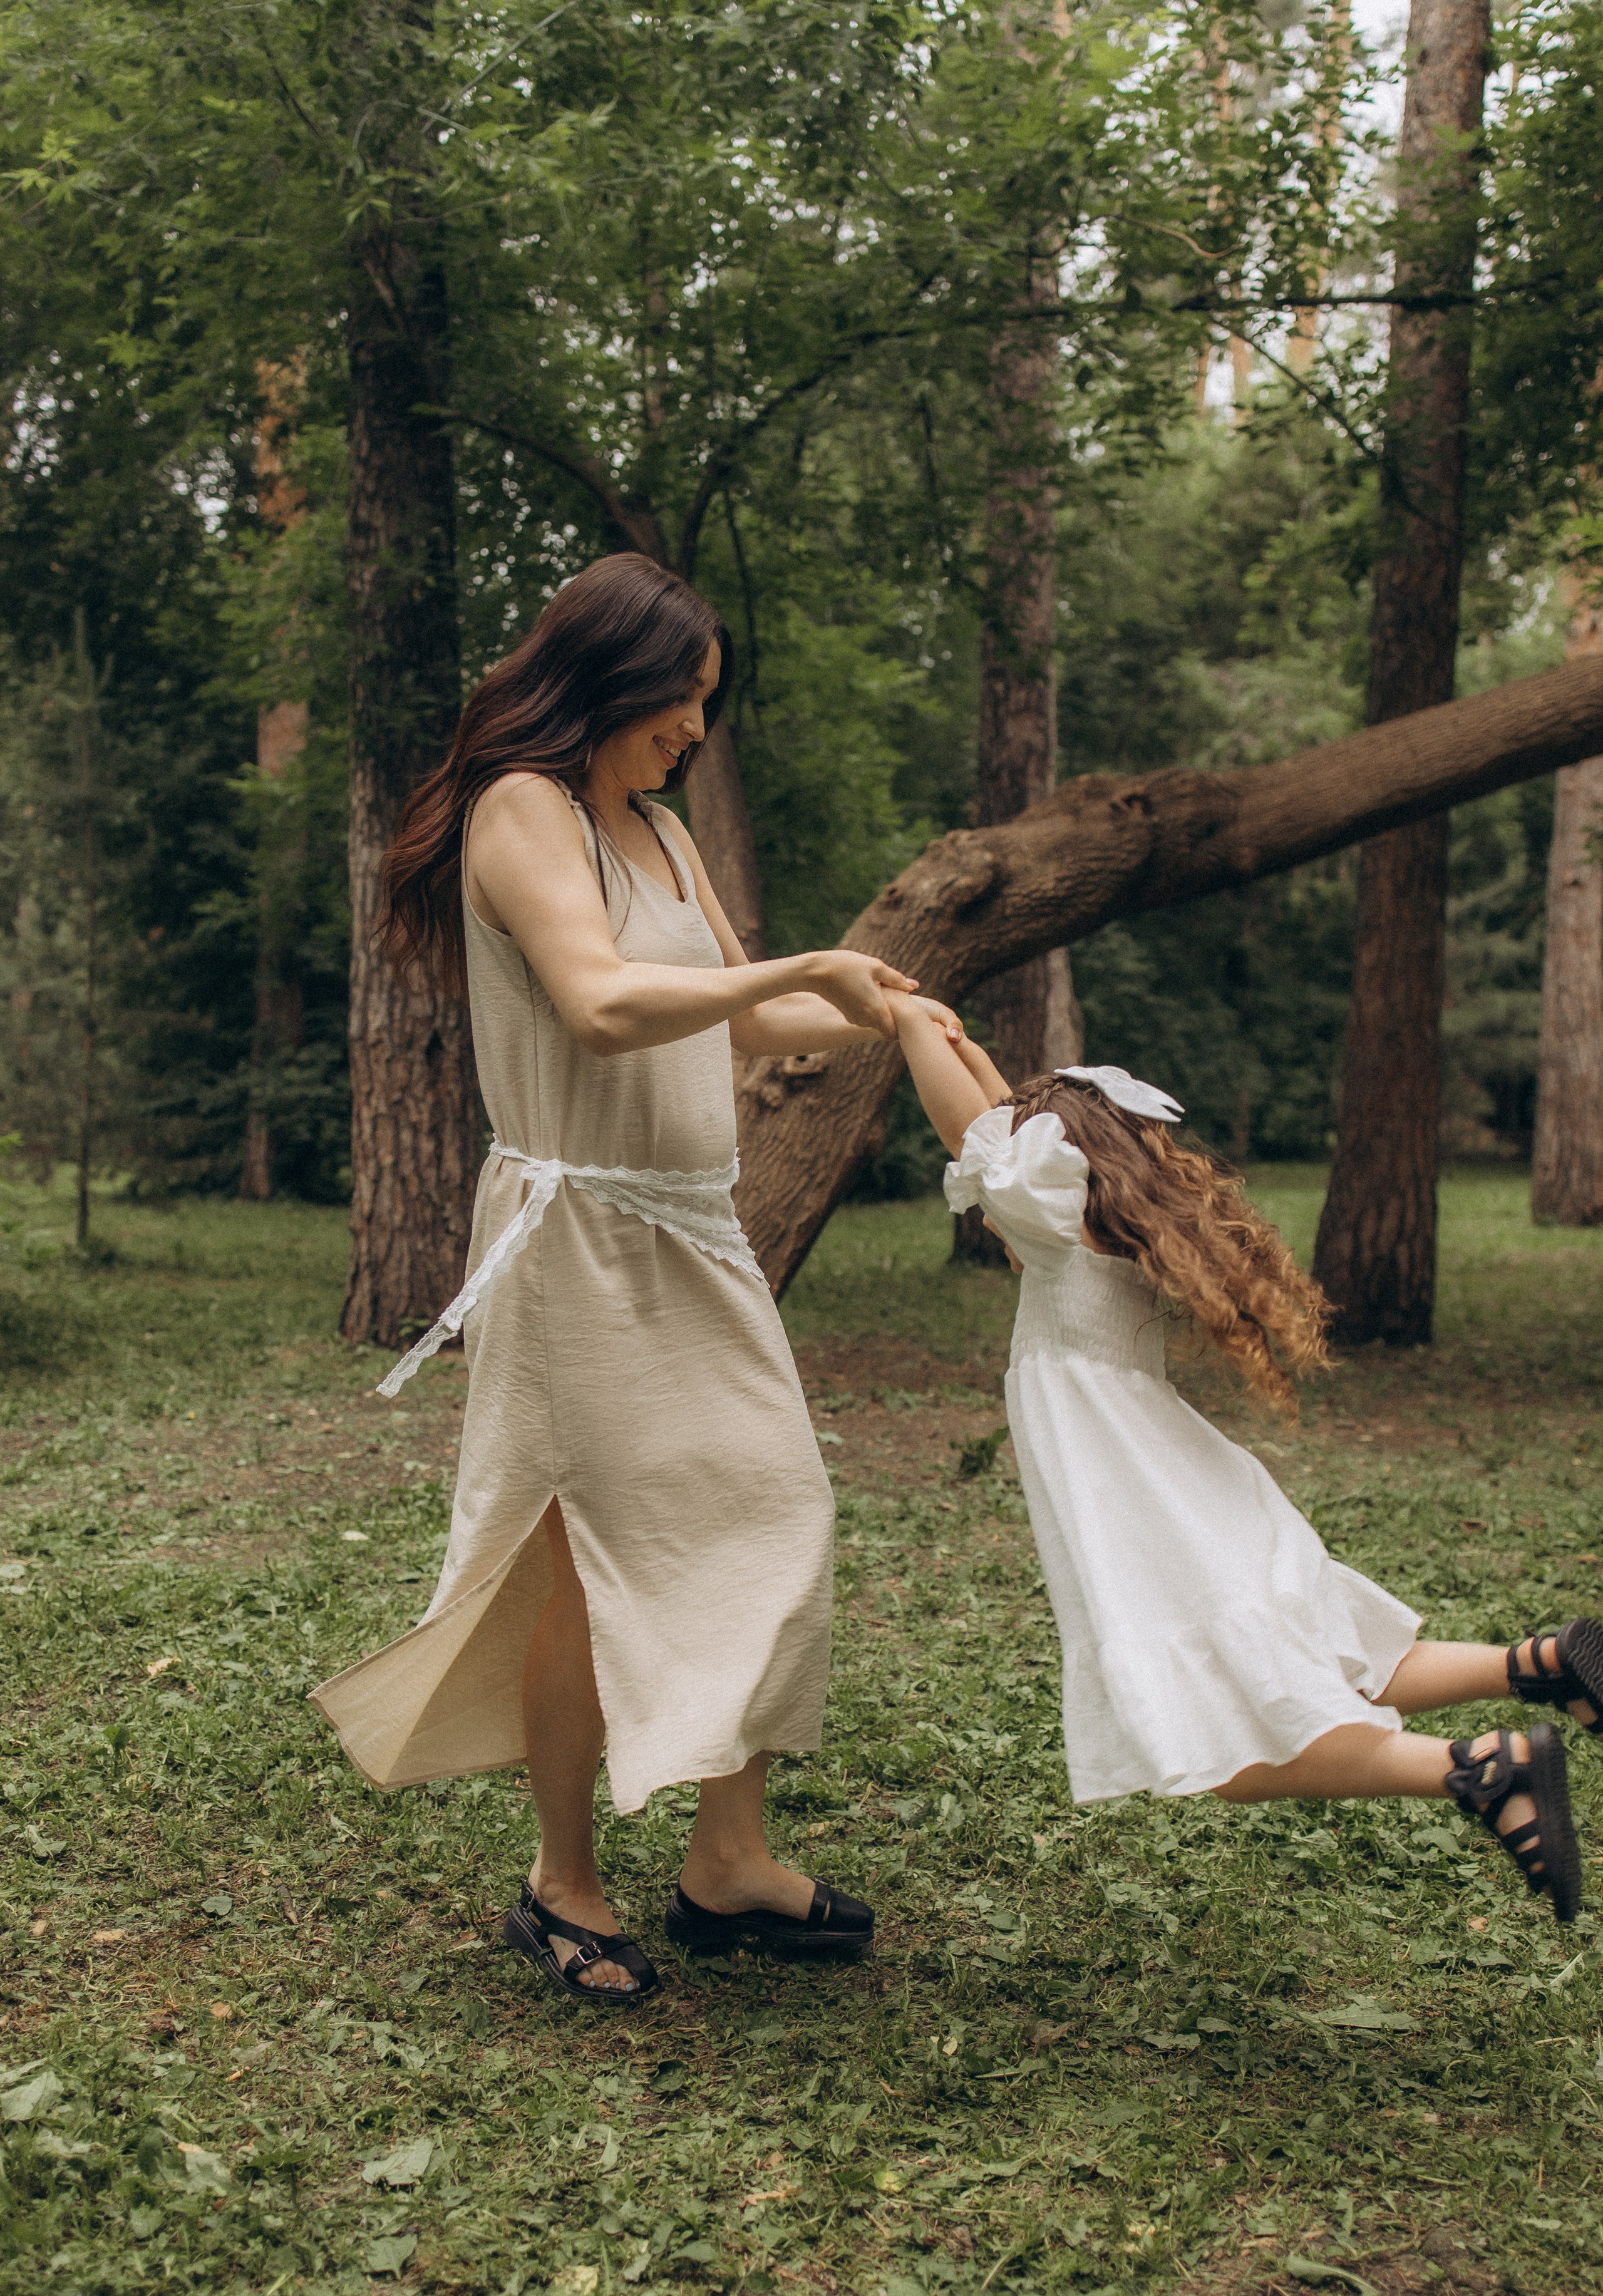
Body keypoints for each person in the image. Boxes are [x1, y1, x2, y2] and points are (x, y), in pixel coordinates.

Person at [313, 553, 944, 2002]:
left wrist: (883, 1007)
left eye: (706, 708)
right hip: (574, 1236)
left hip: (691, 1229)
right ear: (610, 675)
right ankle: (563, 1883)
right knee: (584, 1567)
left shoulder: (657, 827)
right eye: (680, 700)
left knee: (774, 1506)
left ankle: (727, 1865)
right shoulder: (522, 812)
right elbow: (600, 1006)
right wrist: (799, 965)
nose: (693, 732)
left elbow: (753, 1012)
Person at [889, 997, 1599, 1924]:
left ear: (1050, 1159)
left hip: (1143, 1507)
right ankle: (1546, 1663)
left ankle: (1479, 1771)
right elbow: (994, 1128)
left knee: (1227, 1746)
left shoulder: (1057, 1219)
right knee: (1336, 1655)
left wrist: (900, 1016)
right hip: (1187, 1487)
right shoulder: (1088, 1223)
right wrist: (971, 1049)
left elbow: (972, 1131)